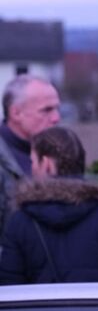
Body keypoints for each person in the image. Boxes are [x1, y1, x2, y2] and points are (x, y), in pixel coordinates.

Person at [0, 126, 98, 283]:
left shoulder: (20, 221)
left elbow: (10, 287)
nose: (31, 169)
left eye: (33, 162)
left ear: (47, 164)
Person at [0, 75, 61, 235]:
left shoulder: (60, 153)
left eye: (57, 109)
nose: (56, 118)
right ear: (16, 113)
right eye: (46, 110)